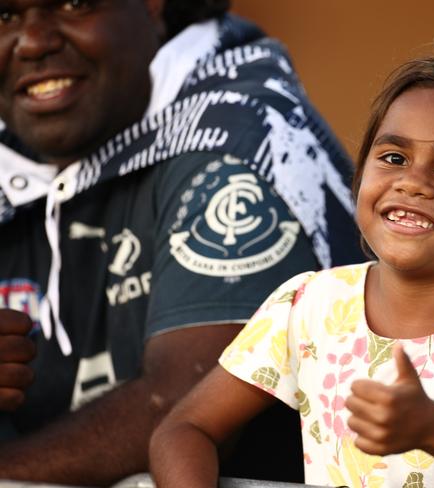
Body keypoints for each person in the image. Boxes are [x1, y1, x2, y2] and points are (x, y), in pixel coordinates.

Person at [149, 52, 434, 488]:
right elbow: (185, 429)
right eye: (394, 158)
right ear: (360, 174)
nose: (413, 182)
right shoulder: (309, 306)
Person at [0, 0, 363, 485]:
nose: (34, 41)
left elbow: (180, 406)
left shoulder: (239, 134)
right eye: (5, 15)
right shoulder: (16, 152)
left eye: (73, 3)